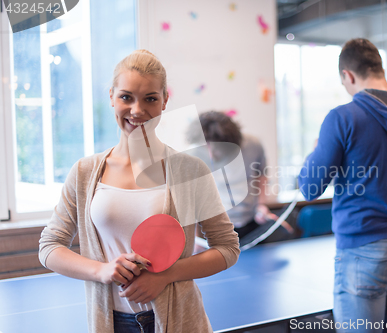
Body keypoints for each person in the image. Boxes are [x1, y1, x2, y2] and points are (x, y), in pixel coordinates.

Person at [38, 50, 240, 333]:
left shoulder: (190, 171)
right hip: (110, 322)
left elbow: (228, 248)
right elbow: (49, 247)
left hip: (179, 322)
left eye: (150, 99)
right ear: (111, 96)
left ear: (165, 100)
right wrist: (102, 270)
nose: (136, 110)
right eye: (126, 97)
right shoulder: (84, 172)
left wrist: (165, 276)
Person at [298, 38, 387, 332]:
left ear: (348, 75)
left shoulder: (343, 117)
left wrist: (315, 151)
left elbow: (310, 187)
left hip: (362, 253)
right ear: (378, 67)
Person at [187, 111, 292, 244]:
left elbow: (262, 175)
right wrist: (194, 239)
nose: (211, 155)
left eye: (216, 149)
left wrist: (261, 205)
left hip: (251, 221)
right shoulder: (194, 155)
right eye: (205, 147)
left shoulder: (253, 145)